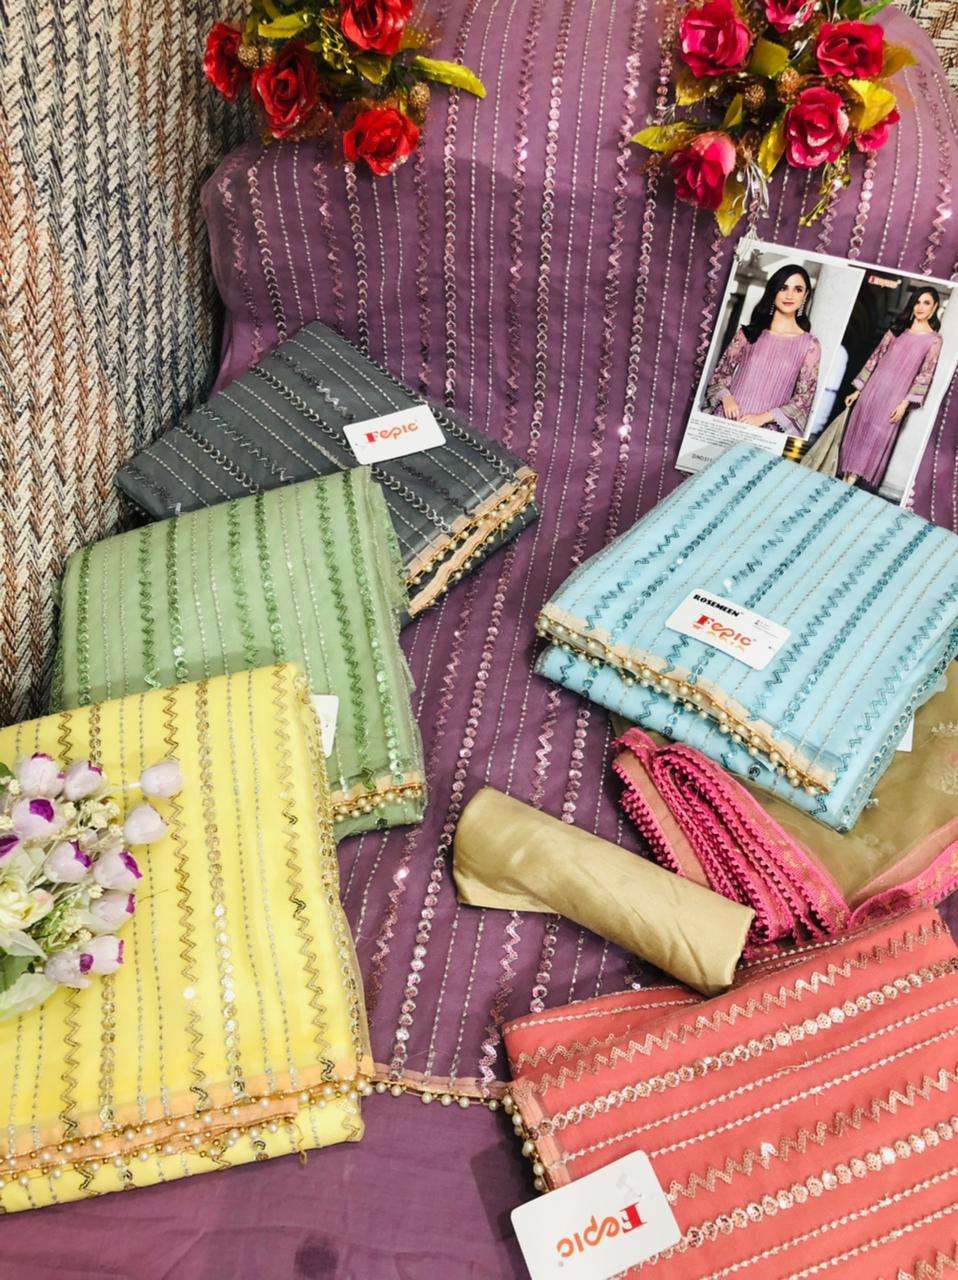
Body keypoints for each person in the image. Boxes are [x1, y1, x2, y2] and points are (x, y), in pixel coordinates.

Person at [839, 287, 944, 488]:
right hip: (872, 392)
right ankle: (845, 482)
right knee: (857, 436)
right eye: (917, 302)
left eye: (926, 303)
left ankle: (849, 484)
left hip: (894, 399)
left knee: (874, 441)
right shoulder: (896, 331)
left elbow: (925, 375)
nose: (920, 307)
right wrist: (858, 390)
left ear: (935, 307)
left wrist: (904, 404)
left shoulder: (934, 340)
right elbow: (875, 359)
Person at [705, 264, 821, 434]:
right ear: (773, 292)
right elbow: (720, 375)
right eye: (783, 288)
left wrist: (762, 418)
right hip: (728, 420)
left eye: (797, 289)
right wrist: (727, 398)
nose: (789, 295)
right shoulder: (747, 334)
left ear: (805, 295)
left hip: (767, 430)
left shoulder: (810, 345)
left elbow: (804, 398)